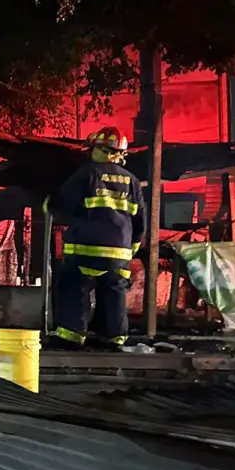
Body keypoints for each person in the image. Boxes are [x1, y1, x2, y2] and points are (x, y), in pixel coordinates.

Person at [46, 127, 146, 350]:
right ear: (120, 153)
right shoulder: (132, 181)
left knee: (75, 287)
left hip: (85, 247)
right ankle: (113, 337)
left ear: (98, 150)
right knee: (114, 291)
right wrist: (133, 245)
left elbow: (63, 206)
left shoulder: (86, 174)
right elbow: (140, 218)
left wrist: (48, 204)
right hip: (119, 250)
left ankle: (71, 335)